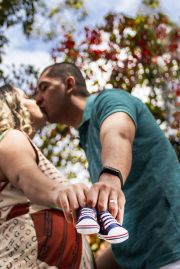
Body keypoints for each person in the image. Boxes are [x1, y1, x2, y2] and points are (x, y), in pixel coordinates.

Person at [35, 62, 180, 269]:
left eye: (44, 87)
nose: (38, 99)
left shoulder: (109, 100)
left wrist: (110, 178)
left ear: (68, 84)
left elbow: (119, 132)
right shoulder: (86, 139)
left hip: (172, 251)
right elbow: (127, 230)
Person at [0, 84, 95, 269]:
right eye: (28, 96)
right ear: (11, 105)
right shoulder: (10, 138)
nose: (37, 100)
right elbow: (24, 175)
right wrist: (58, 191)